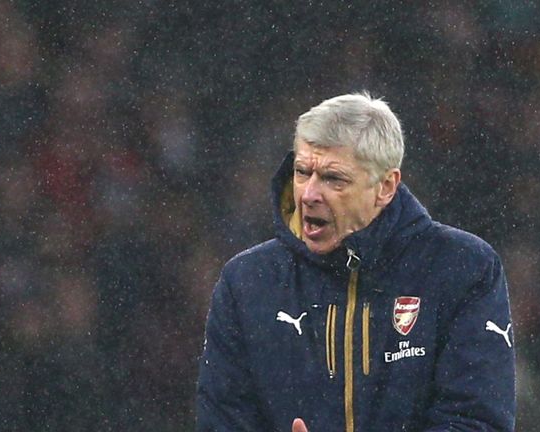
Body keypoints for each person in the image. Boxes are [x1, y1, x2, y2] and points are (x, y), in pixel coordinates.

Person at [196, 93, 516, 431]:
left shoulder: (462, 268)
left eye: (334, 179)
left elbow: (476, 421)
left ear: (385, 186)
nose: (308, 194)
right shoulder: (248, 282)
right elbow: (222, 421)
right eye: (302, 172)